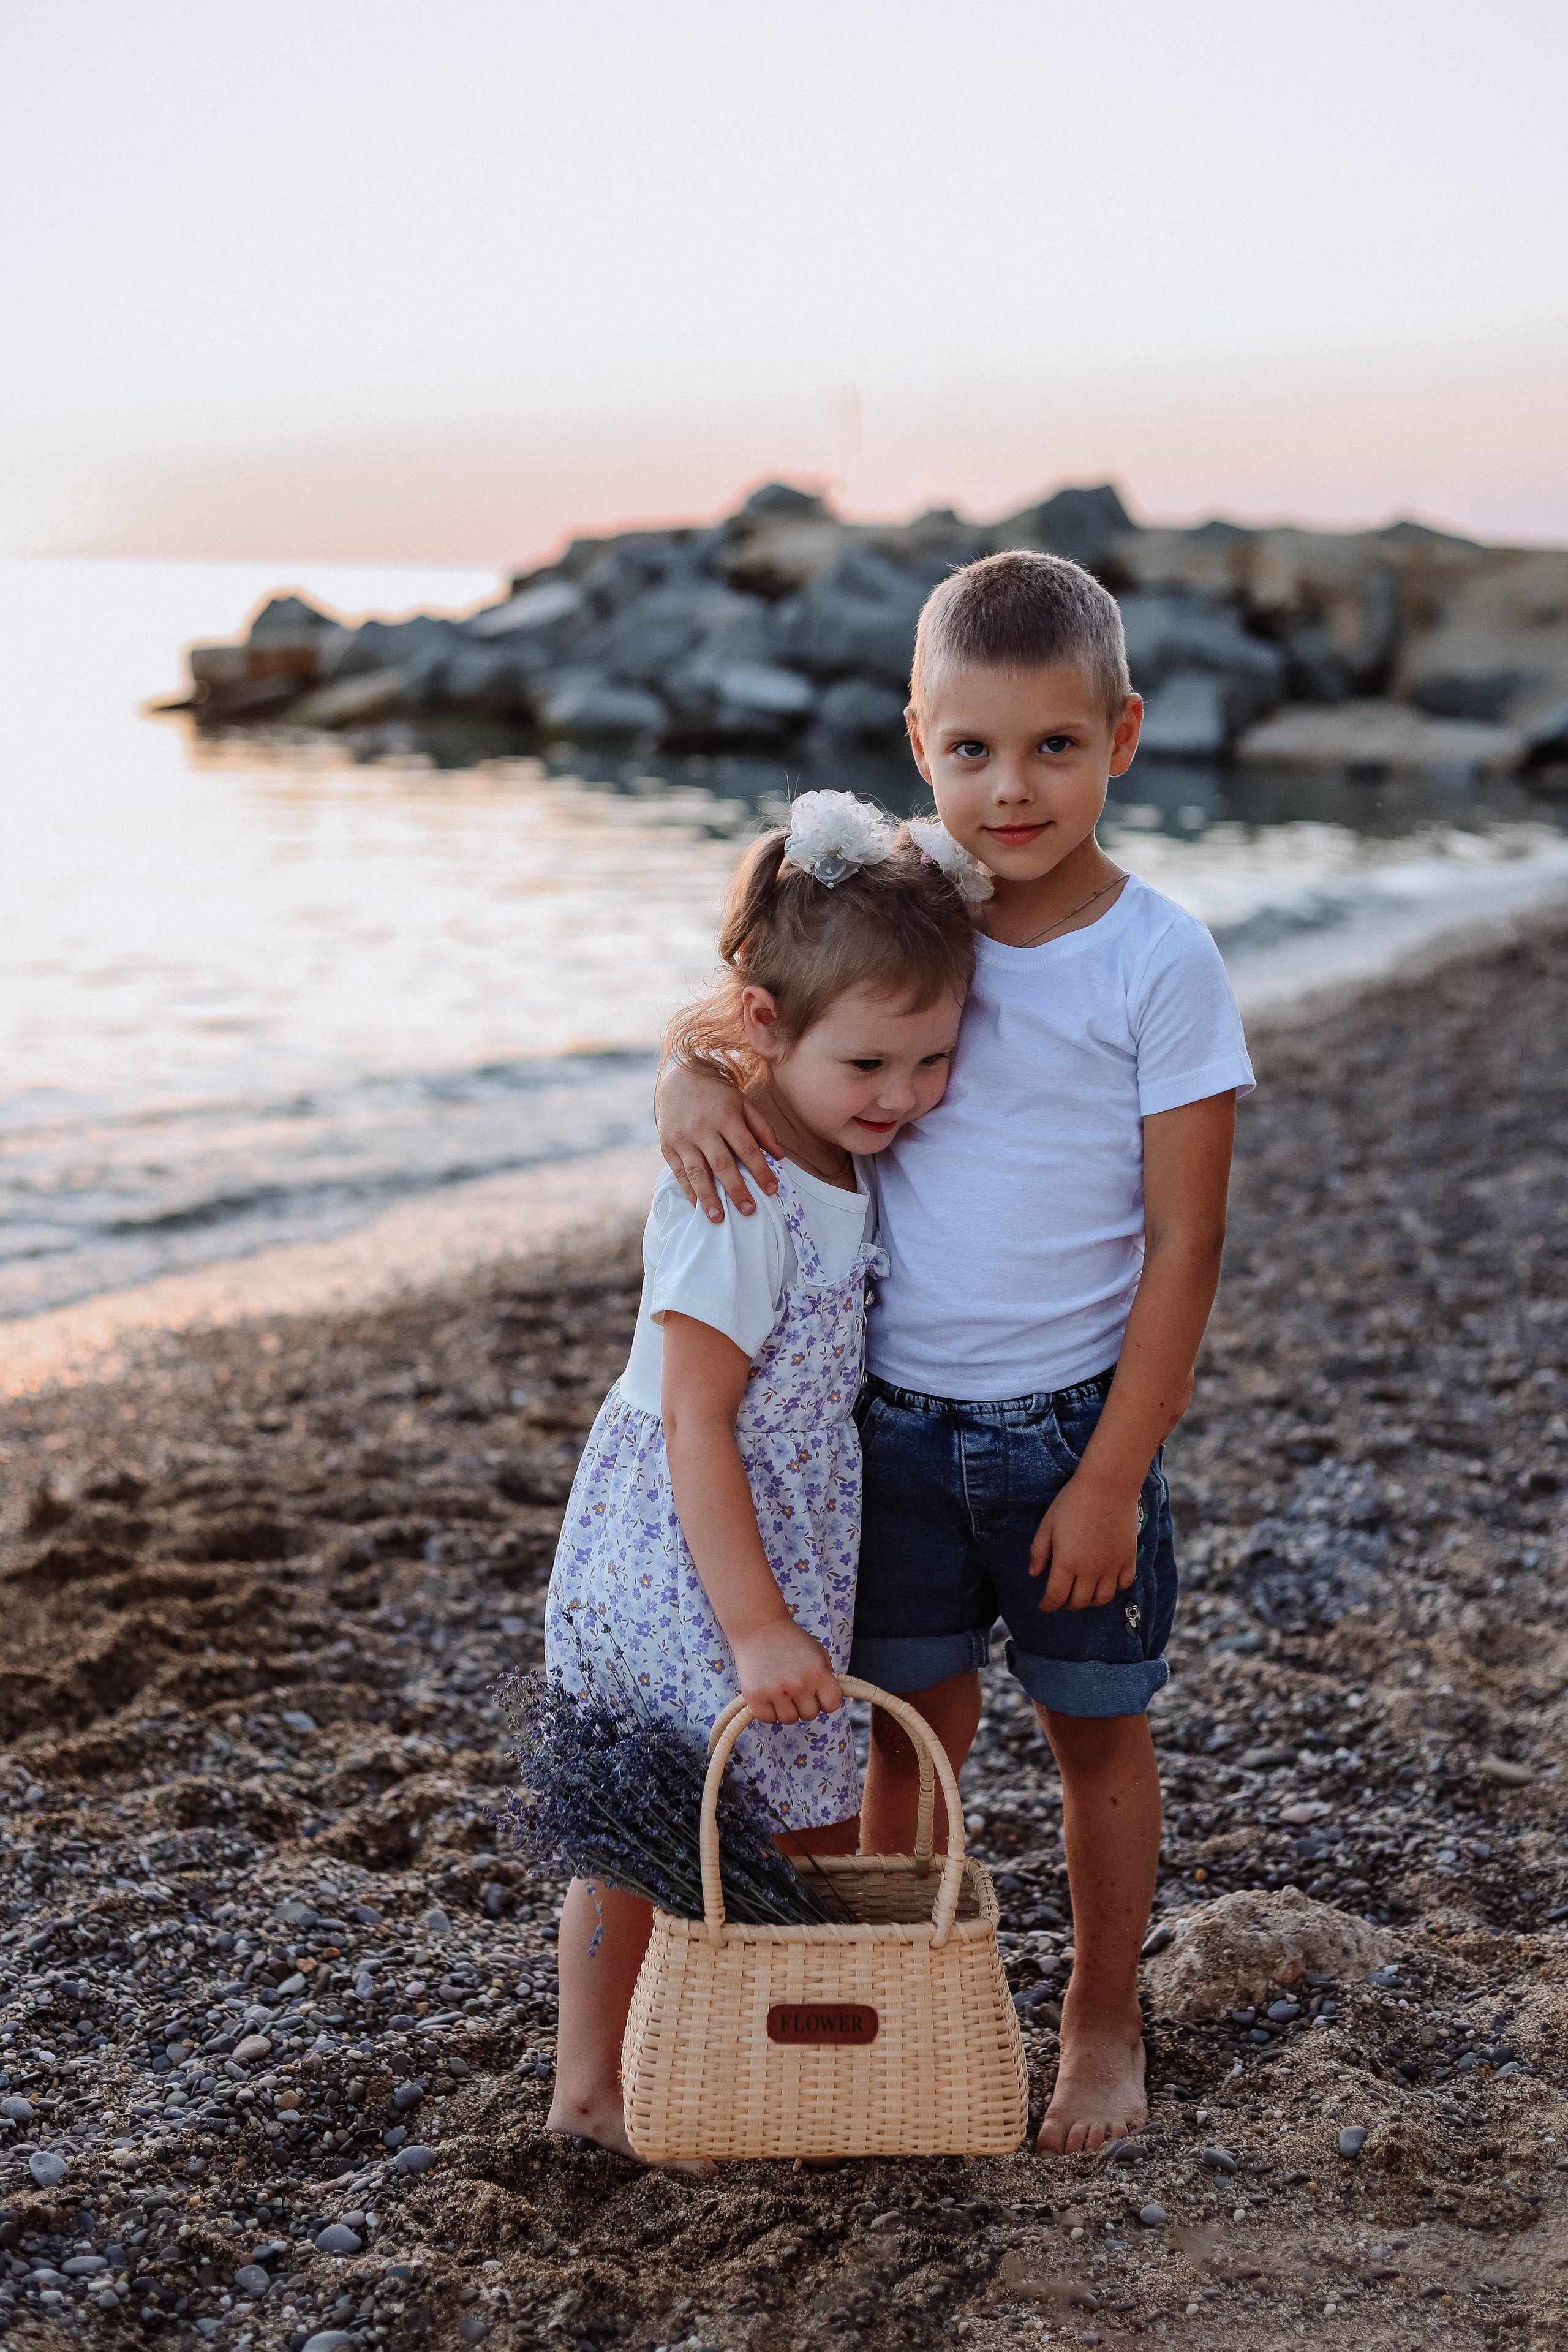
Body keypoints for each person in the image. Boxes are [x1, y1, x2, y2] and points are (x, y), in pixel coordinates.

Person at [657, 551, 1255, 2155]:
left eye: (1055, 747)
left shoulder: (1159, 960)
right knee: (908, 1748)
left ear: (1122, 737)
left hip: (1073, 1434)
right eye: (974, 750)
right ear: (917, 742)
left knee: (1094, 1739)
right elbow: (761, 1010)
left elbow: (1187, 1247)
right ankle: (922, 2005)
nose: (1013, 788)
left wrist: (1116, 1474)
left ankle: (1101, 2026)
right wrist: (690, 1080)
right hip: (895, 1436)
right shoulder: (917, 916)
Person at [543, 791, 977, 2158]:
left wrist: (696, 1061)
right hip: (688, 1553)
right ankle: (590, 2092)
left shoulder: (830, 1142)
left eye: (930, 1061)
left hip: (771, 1537)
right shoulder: (738, 1195)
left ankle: (732, 2046)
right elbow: (693, 1423)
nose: (902, 1097)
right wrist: (753, 1622)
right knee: (642, 1823)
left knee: (775, 1817)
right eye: (870, 1067)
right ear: (765, 1028)